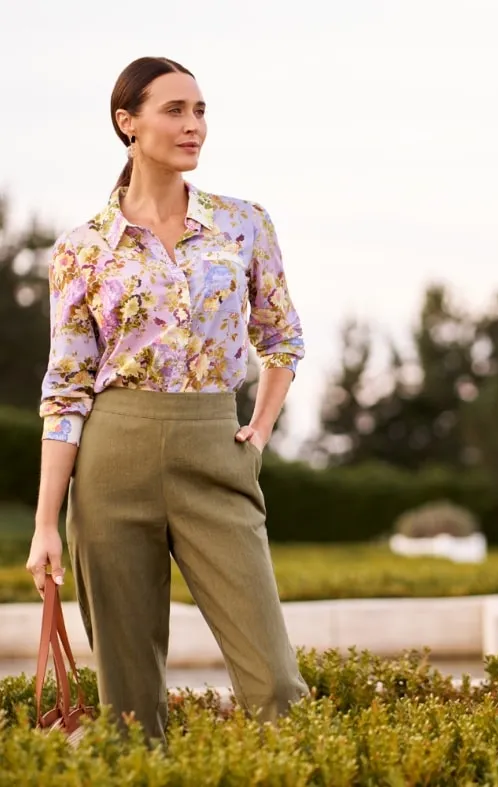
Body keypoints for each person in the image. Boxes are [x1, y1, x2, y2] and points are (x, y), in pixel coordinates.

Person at [26, 56, 310, 744]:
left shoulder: (244, 225)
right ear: (128, 123)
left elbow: (283, 340)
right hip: (111, 459)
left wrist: (261, 428)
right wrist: (44, 523)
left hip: (215, 448)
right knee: (130, 709)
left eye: (201, 110)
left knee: (275, 684)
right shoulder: (82, 250)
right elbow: (65, 388)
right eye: (175, 110)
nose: (194, 126)